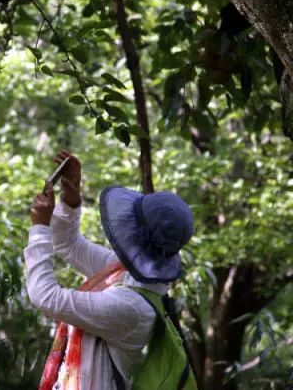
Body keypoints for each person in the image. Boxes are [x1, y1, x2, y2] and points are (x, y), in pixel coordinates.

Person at [25, 150, 195, 389]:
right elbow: (69, 246)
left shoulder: (131, 306)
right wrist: (70, 201)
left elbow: (46, 297)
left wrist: (39, 229)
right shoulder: (125, 273)